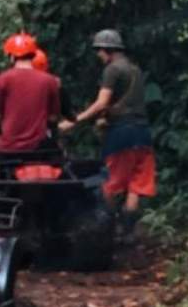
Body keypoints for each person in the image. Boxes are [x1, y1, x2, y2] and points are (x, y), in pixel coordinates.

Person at [58, 29, 155, 229]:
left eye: (99, 51)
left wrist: (74, 121)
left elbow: (102, 103)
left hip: (122, 133)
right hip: (142, 132)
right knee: (135, 185)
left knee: (109, 183)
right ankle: (128, 232)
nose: (99, 55)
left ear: (107, 50)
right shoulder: (135, 69)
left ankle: (107, 229)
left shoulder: (112, 70)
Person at [0, 32, 61, 153]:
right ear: (33, 55)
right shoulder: (50, 81)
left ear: (11, 56)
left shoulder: (3, 79)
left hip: (9, 148)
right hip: (39, 148)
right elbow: (53, 118)